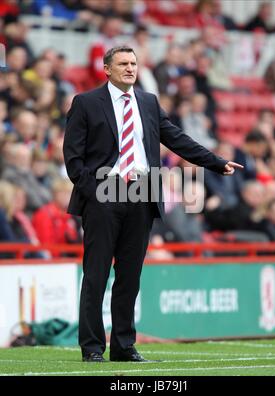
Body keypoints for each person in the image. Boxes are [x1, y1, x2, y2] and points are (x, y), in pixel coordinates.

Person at [63, 46, 243, 363]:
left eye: (133, 63)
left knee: (130, 276)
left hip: (143, 194)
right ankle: (92, 347)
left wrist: (215, 162)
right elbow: (73, 158)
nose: (130, 68)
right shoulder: (86, 103)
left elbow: (176, 138)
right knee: (96, 274)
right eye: (122, 63)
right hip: (104, 193)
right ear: (106, 69)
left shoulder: (148, 101)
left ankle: (123, 346)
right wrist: (94, 190)